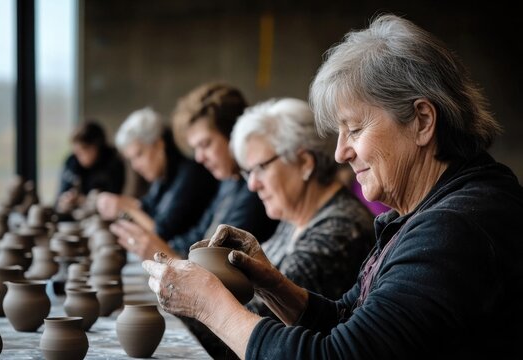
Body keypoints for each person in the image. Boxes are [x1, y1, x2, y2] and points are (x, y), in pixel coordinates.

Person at [142, 14, 523, 359]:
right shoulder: (428, 213)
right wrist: (272, 283)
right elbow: (347, 321)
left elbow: (336, 356)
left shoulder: (456, 228)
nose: (340, 153)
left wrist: (211, 304)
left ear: (422, 121)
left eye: (355, 129)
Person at [231, 97, 374, 311]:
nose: (252, 184)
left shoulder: (340, 229)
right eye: (248, 172)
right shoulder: (296, 217)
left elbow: (257, 315)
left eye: (261, 167)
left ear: (305, 163)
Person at [111, 83, 278, 260]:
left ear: (234, 135)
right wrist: (162, 248)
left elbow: (219, 264)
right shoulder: (228, 182)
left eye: (205, 145)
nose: (199, 158)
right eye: (195, 148)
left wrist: (163, 253)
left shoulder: (253, 189)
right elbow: (198, 235)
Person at [96, 107, 219, 256]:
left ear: (159, 145)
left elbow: (161, 233)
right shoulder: (163, 176)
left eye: (139, 154)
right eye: (131, 160)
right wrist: (122, 204)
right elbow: (146, 206)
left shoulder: (191, 174)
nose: (135, 166)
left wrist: (127, 208)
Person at [56, 120, 125, 213]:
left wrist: (83, 200)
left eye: (82, 152)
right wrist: (65, 201)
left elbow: (114, 199)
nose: (78, 157)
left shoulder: (113, 163)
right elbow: (59, 197)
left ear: (95, 147)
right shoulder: (72, 161)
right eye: (76, 152)